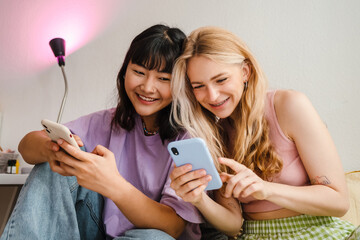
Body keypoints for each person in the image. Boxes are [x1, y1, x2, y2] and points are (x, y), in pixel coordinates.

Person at [0, 24, 203, 240]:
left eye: (164, 78)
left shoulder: (189, 137)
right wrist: (52, 150)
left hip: (153, 236)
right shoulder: (111, 121)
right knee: (57, 159)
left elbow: (173, 227)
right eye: (139, 72)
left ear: (181, 83)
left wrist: (112, 183)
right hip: (95, 228)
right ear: (125, 71)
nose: (147, 87)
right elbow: (27, 146)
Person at [169, 26, 359, 239]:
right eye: (198, 86)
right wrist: (198, 199)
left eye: (221, 80)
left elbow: (338, 202)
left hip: (315, 231)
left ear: (245, 72)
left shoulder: (289, 105)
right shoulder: (214, 133)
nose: (212, 95)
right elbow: (232, 225)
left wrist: (266, 189)